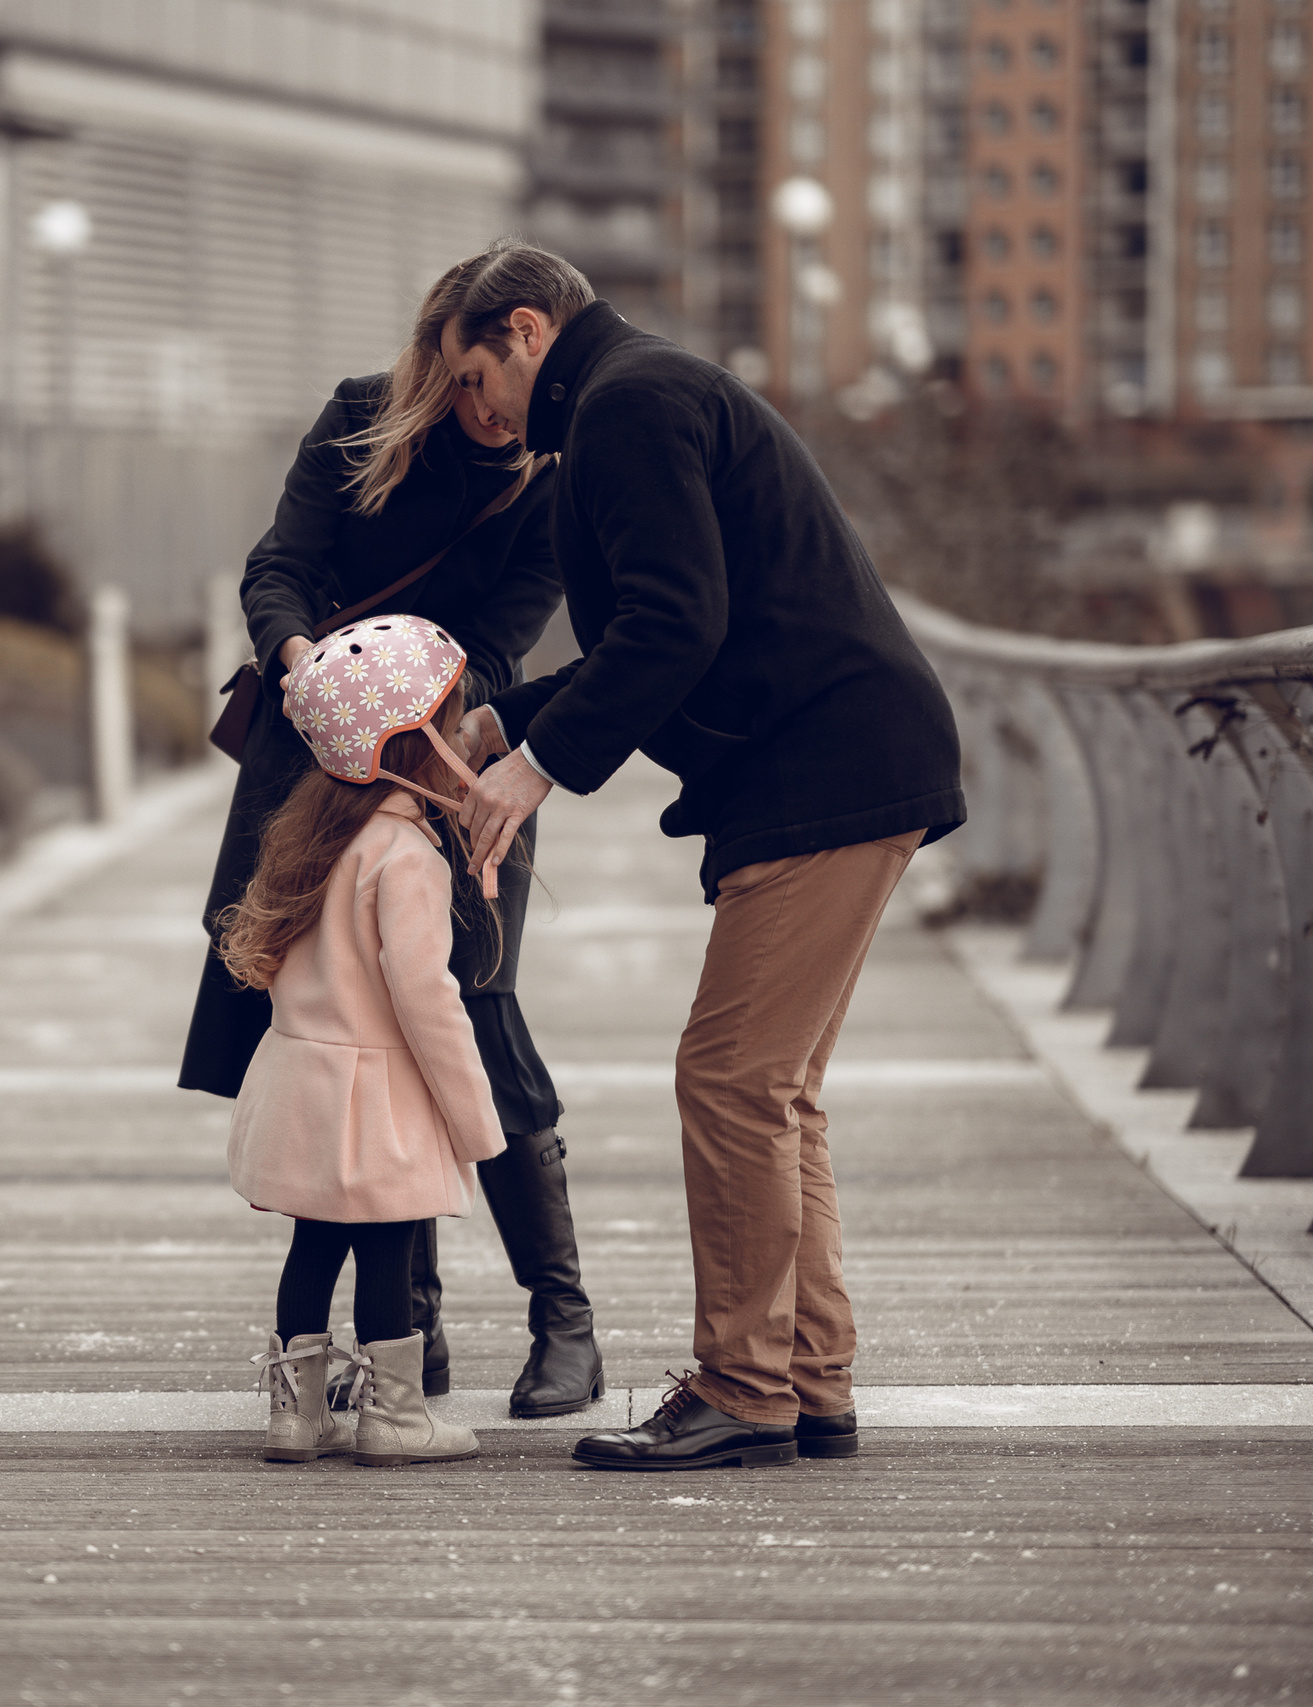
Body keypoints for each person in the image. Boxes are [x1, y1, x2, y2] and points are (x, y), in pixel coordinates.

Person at [440, 242, 966, 1471]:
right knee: (772, 1091)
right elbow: (664, 625)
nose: (477, 416)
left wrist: (536, 768)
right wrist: (505, 718)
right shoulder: (642, 395)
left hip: (824, 767)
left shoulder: (626, 400)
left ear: (526, 331)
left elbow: (677, 624)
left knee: (729, 1080)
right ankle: (806, 1380)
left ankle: (741, 1387)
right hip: (846, 755)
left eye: (474, 382)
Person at [179, 259, 605, 1419]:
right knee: (332, 1012)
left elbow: (510, 639)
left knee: (474, 1002)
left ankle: (561, 1316)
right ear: (436, 362)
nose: (485, 407)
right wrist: (301, 659)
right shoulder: (362, 418)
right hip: (306, 755)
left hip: (448, 751)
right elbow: (279, 569)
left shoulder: (556, 471)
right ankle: (406, 1333)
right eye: (461, 382)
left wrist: (414, 702)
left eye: (490, 382)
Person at [221, 616, 508, 1466]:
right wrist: (474, 1118)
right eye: (449, 721)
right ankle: (394, 1416)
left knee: (312, 1246)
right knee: (390, 1248)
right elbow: (426, 998)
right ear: (410, 745)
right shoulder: (406, 853)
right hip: (378, 1100)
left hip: (302, 1086)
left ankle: (293, 1415)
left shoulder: (312, 837)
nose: (460, 737)